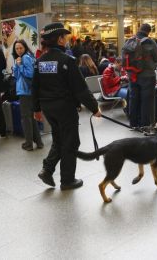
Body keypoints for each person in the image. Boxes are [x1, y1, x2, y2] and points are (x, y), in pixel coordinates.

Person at [33, 22, 101, 190]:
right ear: (60, 40)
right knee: (71, 142)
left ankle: (47, 170)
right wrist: (94, 108)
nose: (67, 40)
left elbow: (34, 87)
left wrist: (36, 109)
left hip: (48, 108)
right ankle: (67, 180)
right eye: (65, 37)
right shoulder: (67, 60)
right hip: (65, 108)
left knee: (58, 139)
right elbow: (80, 89)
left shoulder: (40, 61)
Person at [126, 23, 157, 128]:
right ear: (149, 31)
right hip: (147, 75)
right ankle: (144, 124)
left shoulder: (129, 41)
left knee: (133, 98)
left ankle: (133, 123)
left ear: (139, 29)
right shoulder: (150, 42)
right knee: (146, 100)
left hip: (132, 75)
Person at [12, 39, 43, 151]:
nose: (19, 50)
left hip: (26, 91)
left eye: (21, 48)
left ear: (25, 47)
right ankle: (38, 142)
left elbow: (30, 74)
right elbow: (16, 76)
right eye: (16, 48)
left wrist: (19, 66)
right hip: (26, 91)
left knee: (26, 118)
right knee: (30, 118)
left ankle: (29, 143)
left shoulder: (26, 58)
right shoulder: (22, 58)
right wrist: (17, 65)